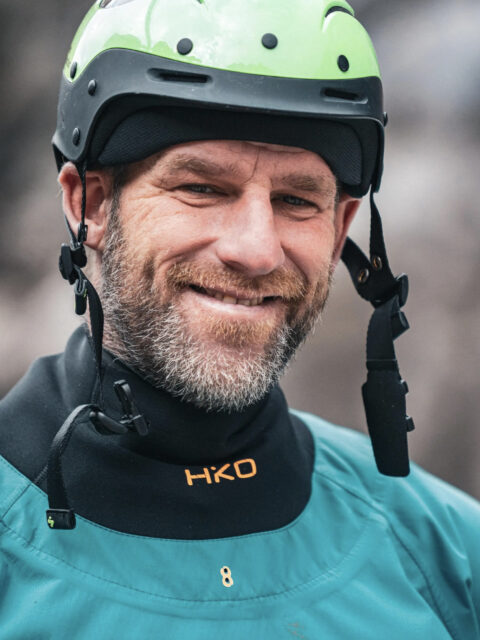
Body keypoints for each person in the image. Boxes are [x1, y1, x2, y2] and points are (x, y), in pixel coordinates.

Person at [0, 0, 479, 637]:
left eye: (296, 200)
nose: (256, 250)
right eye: (201, 188)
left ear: (341, 229)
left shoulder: (447, 553)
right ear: (89, 204)